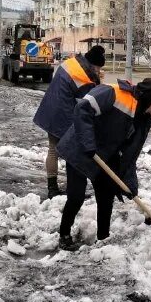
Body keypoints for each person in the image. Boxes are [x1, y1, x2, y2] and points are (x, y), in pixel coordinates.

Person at [55, 77, 151, 250]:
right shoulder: (112, 92)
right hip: (79, 147)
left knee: (106, 196)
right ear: (149, 97)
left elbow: (129, 156)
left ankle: (103, 239)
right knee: (76, 196)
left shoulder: (140, 117)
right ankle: (64, 234)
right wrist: (87, 143)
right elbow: (82, 109)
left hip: (103, 156)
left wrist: (129, 185)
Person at [33, 45, 105, 198]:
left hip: (50, 109)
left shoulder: (72, 62)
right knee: (73, 151)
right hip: (62, 115)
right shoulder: (83, 77)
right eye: (98, 68)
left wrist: (95, 77)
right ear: (92, 65)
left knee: (53, 150)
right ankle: (73, 189)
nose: (98, 71)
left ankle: (52, 188)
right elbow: (87, 102)